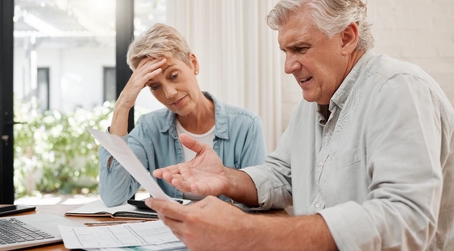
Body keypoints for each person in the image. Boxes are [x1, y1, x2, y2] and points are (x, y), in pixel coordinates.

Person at [145, 0, 454, 250]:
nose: (288, 66)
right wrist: (225, 178)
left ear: (347, 37)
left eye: (300, 49)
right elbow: (282, 176)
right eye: (285, 51)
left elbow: (405, 220)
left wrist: (253, 232)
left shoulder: (399, 90)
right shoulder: (313, 100)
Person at [98, 23, 267, 207]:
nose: (169, 93)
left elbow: (254, 201)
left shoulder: (246, 125)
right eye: (155, 86)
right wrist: (123, 105)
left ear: (193, 63)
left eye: (174, 75)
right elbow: (112, 195)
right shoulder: (149, 128)